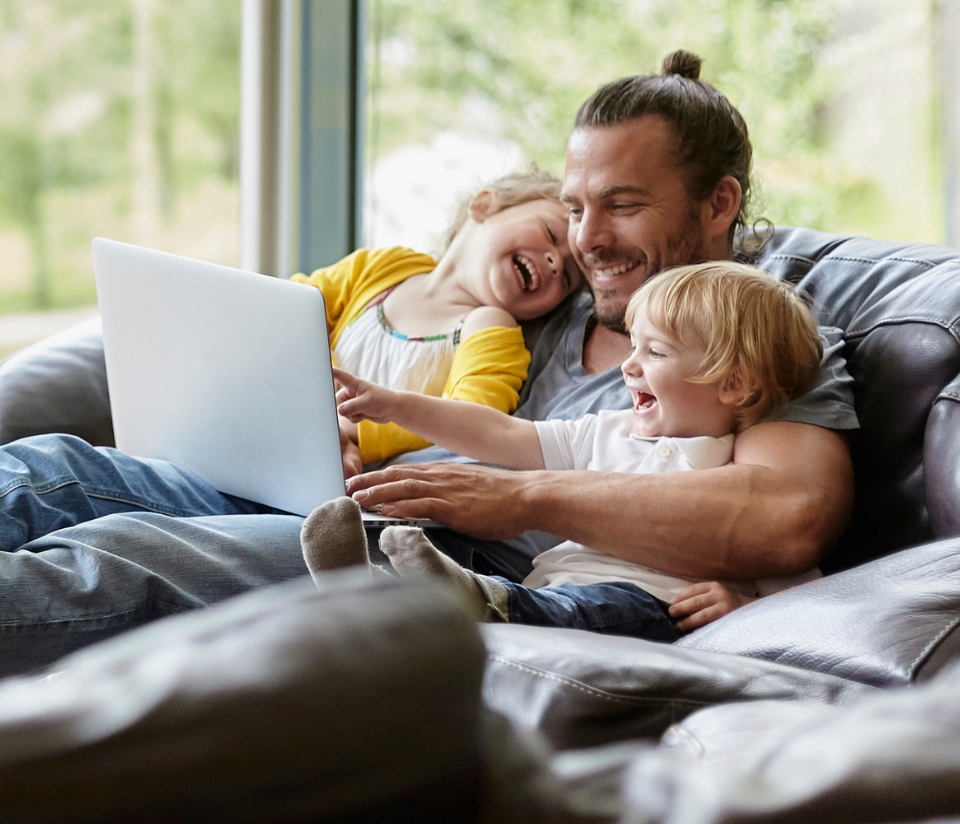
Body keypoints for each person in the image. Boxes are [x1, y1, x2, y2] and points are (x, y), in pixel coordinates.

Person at [0, 49, 857, 679]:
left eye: (623, 207)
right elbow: (426, 307)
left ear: (719, 204)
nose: (587, 242)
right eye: (574, 208)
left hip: (444, 550)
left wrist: (515, 497)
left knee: (119, 558)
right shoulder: (555, 293)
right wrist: (306, 413)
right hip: (346, 488)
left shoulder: (760, 331)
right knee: (51, 470)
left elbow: (785, 517)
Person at [302, 261, 823, 640]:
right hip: (544, 586)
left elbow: (807, 592)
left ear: (732, 384)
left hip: (647, 609)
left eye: (656, 352)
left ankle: (452, 603)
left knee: (598, 605)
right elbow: (503, 435)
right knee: (442, 546)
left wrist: (743, 603)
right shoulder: (607, 431)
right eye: (634, 346)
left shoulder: (739, 473)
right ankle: (374, 592)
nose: (629, 366)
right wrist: (396, 405)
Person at [292, 168, 581, 473]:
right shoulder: (386, 265)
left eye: (568, 280)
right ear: (483, 206)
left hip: (340, 474)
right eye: (550, 233)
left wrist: (350, 433)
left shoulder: (490, 326)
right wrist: (321, 415)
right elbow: (291, 311)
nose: (556, 263)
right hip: (290, 426)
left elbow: (471, 423)